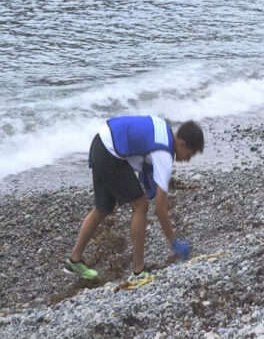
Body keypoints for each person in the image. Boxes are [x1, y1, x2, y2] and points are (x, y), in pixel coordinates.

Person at [63, 115, 204, 280]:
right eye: (190, 153)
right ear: (182, 143)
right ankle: (139, 270)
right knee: (141, 205)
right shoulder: (164, 153)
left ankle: (74, 261)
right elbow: (160, 209)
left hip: (100, 141)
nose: (188, 159)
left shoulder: (163, 128)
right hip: (110, 153)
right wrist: (174, 242)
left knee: (103, 208)